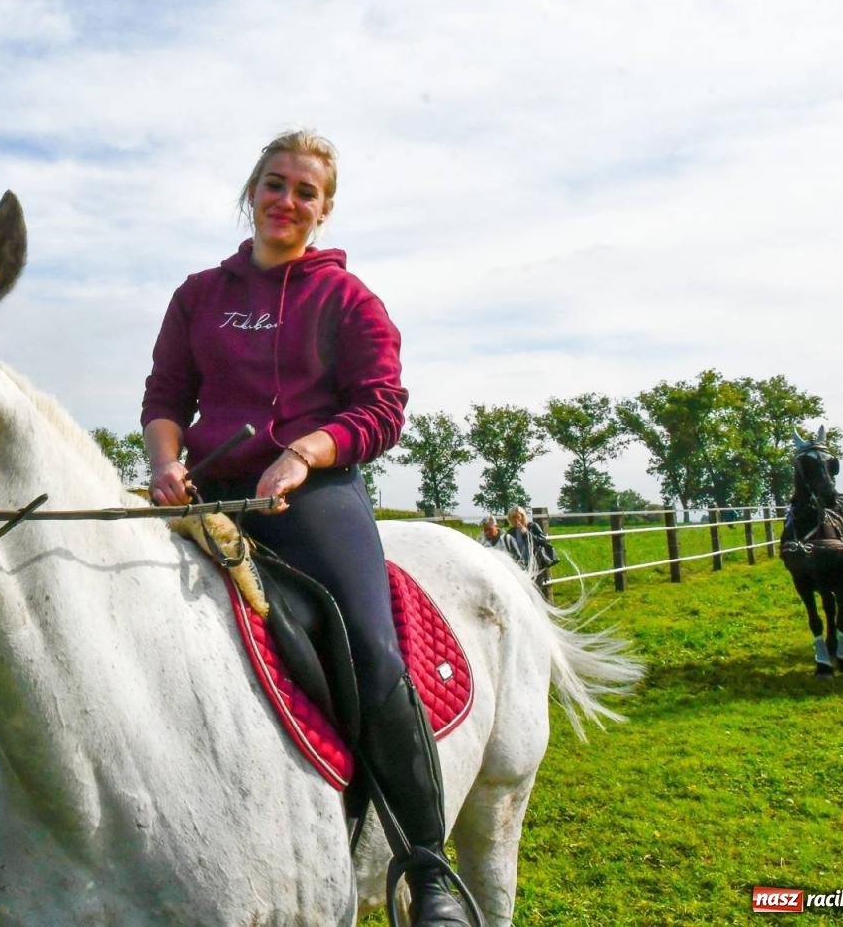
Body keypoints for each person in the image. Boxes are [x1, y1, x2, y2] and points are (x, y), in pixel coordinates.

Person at [141, 130, 469, 926]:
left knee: (369, 641)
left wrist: (303, 454)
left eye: (305, 192)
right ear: (250, 191)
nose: (287, 201)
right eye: (275, 184)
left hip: (310, 493)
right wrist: (164, 463)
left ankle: (426, 867)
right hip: (207, 492)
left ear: (324, 211)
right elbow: (164, 396)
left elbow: (381, 410)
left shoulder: (349, 301)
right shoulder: (198, 294)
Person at [503, 505, 556, 585]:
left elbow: (543, 540)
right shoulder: (511, 532)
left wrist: (527, 533)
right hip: (519, 566)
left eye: (518, 517)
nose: (516, 519)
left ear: (522, 516)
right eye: (513, 517)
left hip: (535, 564)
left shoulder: (532, 526)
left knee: (536, 589)